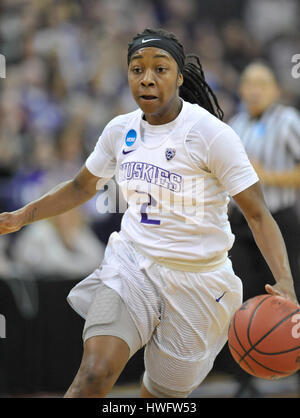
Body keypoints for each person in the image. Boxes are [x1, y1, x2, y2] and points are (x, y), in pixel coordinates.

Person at [0, 28, 298, 399]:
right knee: (93, 373)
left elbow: (257, 214)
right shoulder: (119, 130)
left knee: (159, 397)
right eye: (137, 69)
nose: (147, 78)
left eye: (160, 69)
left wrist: (284, 281)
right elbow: (81, 187)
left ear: (179, 77)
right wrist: (21, 216)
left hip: (200, 282)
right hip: (133, 265)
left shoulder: (211, 135)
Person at [226, 61, 300, 396]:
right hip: (239, 224)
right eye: (249, 82)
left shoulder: (288, 121)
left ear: (274, 89)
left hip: (280, 220)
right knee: (240, 298)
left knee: (289, 296)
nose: (255, 89)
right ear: (241, 90)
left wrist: (266, 176)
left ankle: (292, 365)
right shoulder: (235, 125)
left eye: (262, 82)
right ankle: (245, 379)